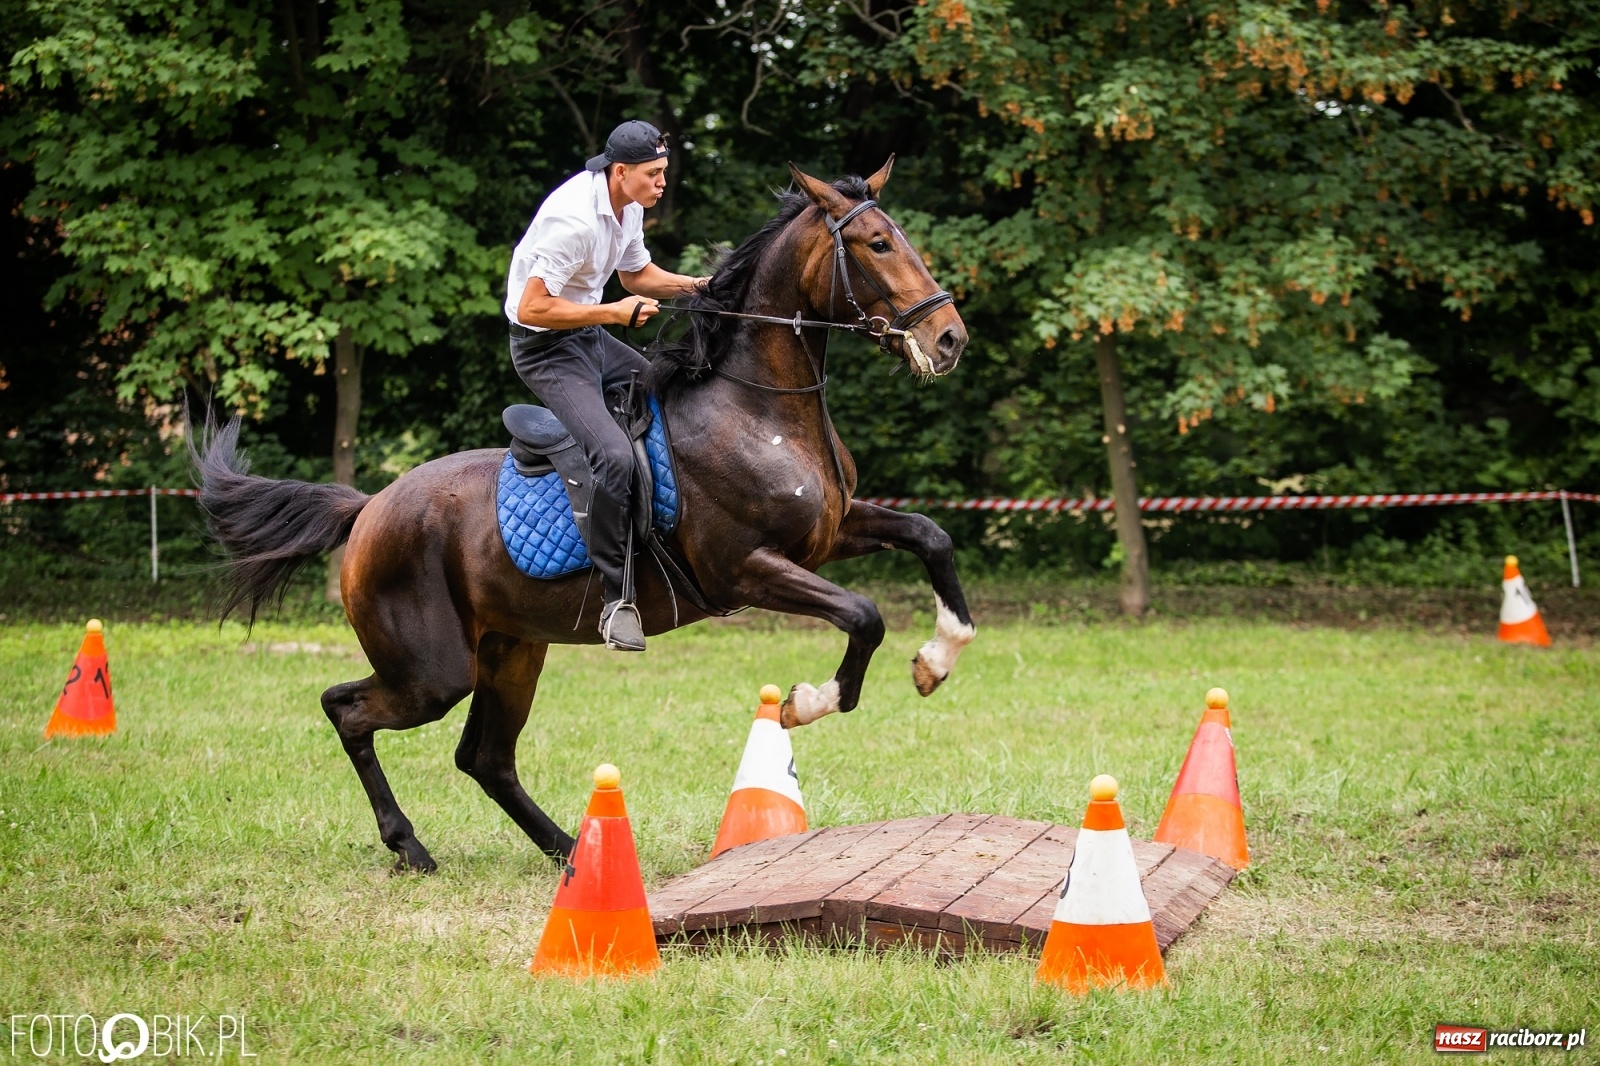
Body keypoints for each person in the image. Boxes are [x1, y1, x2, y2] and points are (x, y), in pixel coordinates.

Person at [506, 120, 708, 652]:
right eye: (654, 174)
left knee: (677, 389)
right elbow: (532, 308)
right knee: (613, 458)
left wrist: (704, 287)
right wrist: (614, 313)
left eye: (664, 172)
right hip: (546, 350)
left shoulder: (629, 207)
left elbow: (637, 276)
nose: (663, 183)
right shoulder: (572, 220)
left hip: (588, 336)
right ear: (621, 171)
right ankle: (616, 600)